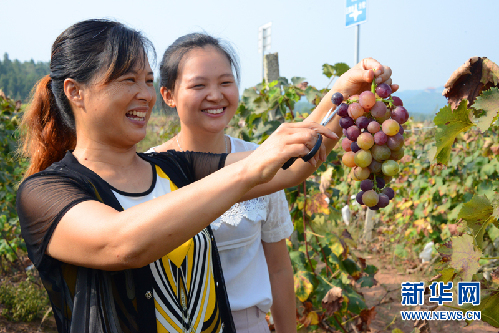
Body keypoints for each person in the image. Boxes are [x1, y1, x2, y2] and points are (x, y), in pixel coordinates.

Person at [16, 19, 394, 333]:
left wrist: (341, 93)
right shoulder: (46, 193)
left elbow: (289, 165)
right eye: (127, 80)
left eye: (147, 80)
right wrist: (250, 166)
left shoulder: (174, 168)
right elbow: (122, 243)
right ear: (75, 92)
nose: (144, 94)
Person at [149, 33, 397, 333]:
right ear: (168, 95)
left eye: (226, 82)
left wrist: (344, 91)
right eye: (199, 85)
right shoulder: (150, 170)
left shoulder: (258, 158)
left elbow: (278, 267)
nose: (215, 95)